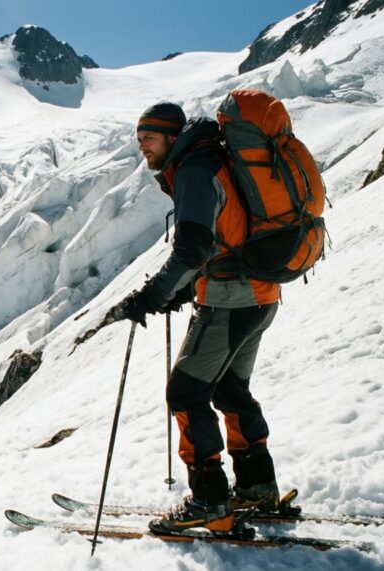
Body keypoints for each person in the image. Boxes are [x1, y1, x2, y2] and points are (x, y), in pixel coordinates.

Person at [109, 102, 282, 534]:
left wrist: (153, 295)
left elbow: (193, 248)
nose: (142, 146)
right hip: (260, 294)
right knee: (230, 389)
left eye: (149, 137)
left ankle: (209, 501)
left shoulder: (193, 169)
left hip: (230, 300)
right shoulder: (212, 159)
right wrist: (184, 290)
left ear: (173, 137)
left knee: (185, 393)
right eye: (139, 139)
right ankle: (257, 486)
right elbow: (226, 236)